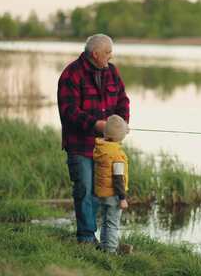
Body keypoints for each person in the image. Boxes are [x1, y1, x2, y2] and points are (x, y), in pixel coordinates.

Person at [57, 34, 130, 244]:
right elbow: (69, 111)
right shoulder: (71, 74)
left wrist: (121, 123)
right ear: (95, 54)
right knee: (84, 191)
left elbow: (123, 100)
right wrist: (95, 125)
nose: (111, 56)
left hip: (107, 148)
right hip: (80, 146)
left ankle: (101, 239)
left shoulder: (112, 72)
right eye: (108, 52)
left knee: (101, 192)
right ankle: (87, 239)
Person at [93, 115, 130, 253]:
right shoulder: (117, 155)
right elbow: (118, 179)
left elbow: (114, 134)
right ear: (120, 138)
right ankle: (111, 250)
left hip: (102, 193)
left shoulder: (102, 148)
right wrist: (122, 198)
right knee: (113, 224)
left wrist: (122, 130)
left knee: (105, 221)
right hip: (114, 194)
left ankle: (104, 246)